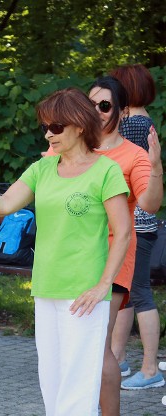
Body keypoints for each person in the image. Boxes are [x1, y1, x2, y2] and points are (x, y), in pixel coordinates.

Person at [0, 88, 132, 415]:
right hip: (46, 287)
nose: (48, 133)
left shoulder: (106, 171)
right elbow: (2, 205)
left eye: (55, 127)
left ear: (78, 125)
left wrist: (104, 284)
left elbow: (124, 231)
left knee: (78, 386)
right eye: (45, 127)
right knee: (52, 381)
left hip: (84, 293)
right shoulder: (41, 169)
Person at [45, 77, 163, 415]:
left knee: (98, 346)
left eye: (105, 106)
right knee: (76, 346)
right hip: (69, 258)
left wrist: (155, 169)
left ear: (123, 111)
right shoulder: (73, 147)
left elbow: (150, 204)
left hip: (111, 258)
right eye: (91, 104)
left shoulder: (132, 155)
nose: (97, 112)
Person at [108, 64, 165, 390]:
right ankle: (118, 359)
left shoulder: (130, 124)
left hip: (135, 225)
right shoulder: (145, 121)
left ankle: (149, 370)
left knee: (139, 295)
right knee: (126, 293)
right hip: (140, 224)